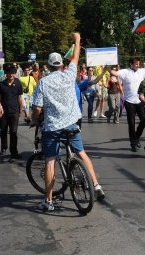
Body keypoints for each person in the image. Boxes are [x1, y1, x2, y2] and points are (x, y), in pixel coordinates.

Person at [31, 33, 104, 211]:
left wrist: (34, 120)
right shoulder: (69, 75)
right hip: (72, 123)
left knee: (50, 162)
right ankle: (96, 185)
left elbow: (37, 107)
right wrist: (78, 40)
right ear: (62, 65)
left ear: (48, 66)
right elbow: (76, 56)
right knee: (81, 152)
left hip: (53, 126)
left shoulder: (43, 82)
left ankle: (48, 201)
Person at [109, 57, 145, 151]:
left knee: (144, 120)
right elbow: (114, 73)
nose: (138, 65)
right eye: (136, 64)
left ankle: (136, 137)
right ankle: (133, 143)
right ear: (131, 64)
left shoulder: (141, 71)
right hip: (129, 102)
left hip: (140, 101)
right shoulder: (125, 72)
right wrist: (107, 67)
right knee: (131, 123)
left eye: (138, 64)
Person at [0, 67, 23, 160]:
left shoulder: (18, 83)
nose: (11, 75)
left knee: (13, 132)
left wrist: (21, 109)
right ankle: (3, 147)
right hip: (3, 112)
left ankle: (14, 152)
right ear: (6, 74)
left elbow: (19, 97)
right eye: (9, 73)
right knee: (3, 131)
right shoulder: (1, 84)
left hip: (14, 111)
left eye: (13, 73)